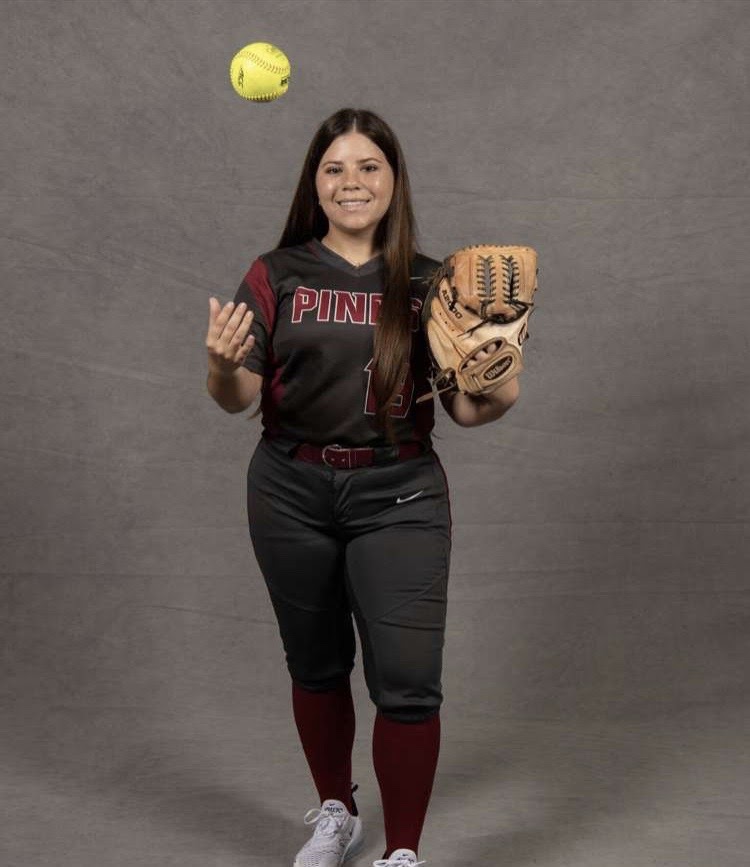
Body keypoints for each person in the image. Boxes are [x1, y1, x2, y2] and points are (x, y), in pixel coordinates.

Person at [205, 107, 520, 867]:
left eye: (369, 166)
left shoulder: (430, 282)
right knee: (314, 662)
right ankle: (337, 815)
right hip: (289, 488)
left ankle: (402, 852)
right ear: (314, 183)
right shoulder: (275, 273)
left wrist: (502, 378)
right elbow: (237, 396)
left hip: (398, 491)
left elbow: (470, 409)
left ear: (393, 179)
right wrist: (219, 363)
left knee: (407, 681)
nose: (352, 182)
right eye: (335, 168)